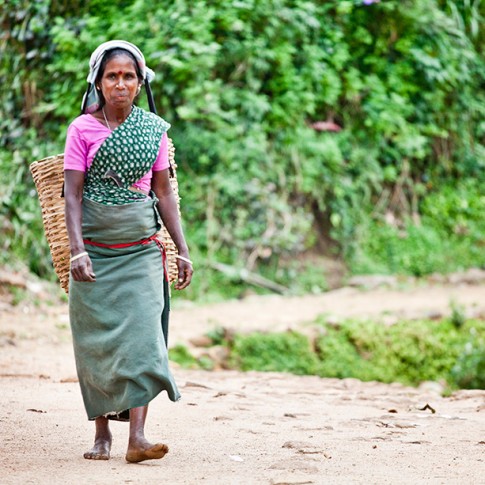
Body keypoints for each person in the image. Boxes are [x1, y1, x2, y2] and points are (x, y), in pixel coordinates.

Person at [63, 40, 193, 463]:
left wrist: (183, 250)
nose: (120, 84)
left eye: (129, 77)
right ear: (98, 83)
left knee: (144, 338)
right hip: (95, 253)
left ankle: (137, 437)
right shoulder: (81, 129)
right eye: (112, 76)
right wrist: (78, 251)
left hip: (140, 250)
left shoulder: (152, 129)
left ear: (140, 83)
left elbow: (164, 192)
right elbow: (72, 195)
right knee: (98, 344)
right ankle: (102, 434)